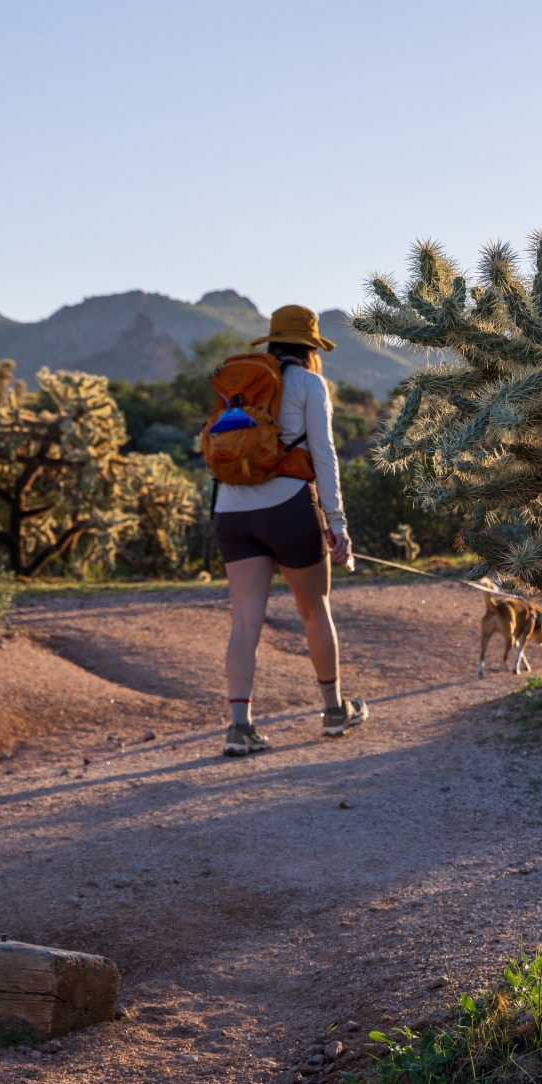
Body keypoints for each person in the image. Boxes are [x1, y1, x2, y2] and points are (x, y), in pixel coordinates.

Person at [212, 303, 367, 754]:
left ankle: (239, 727)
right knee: (315, 609)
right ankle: (334, 711)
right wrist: (336, 522)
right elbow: (324, 455)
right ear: (310, 347)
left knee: (245, 620)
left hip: (231, 509)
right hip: (288, 507)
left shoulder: (237, 381)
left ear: (273, 340)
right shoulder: (309, 383)